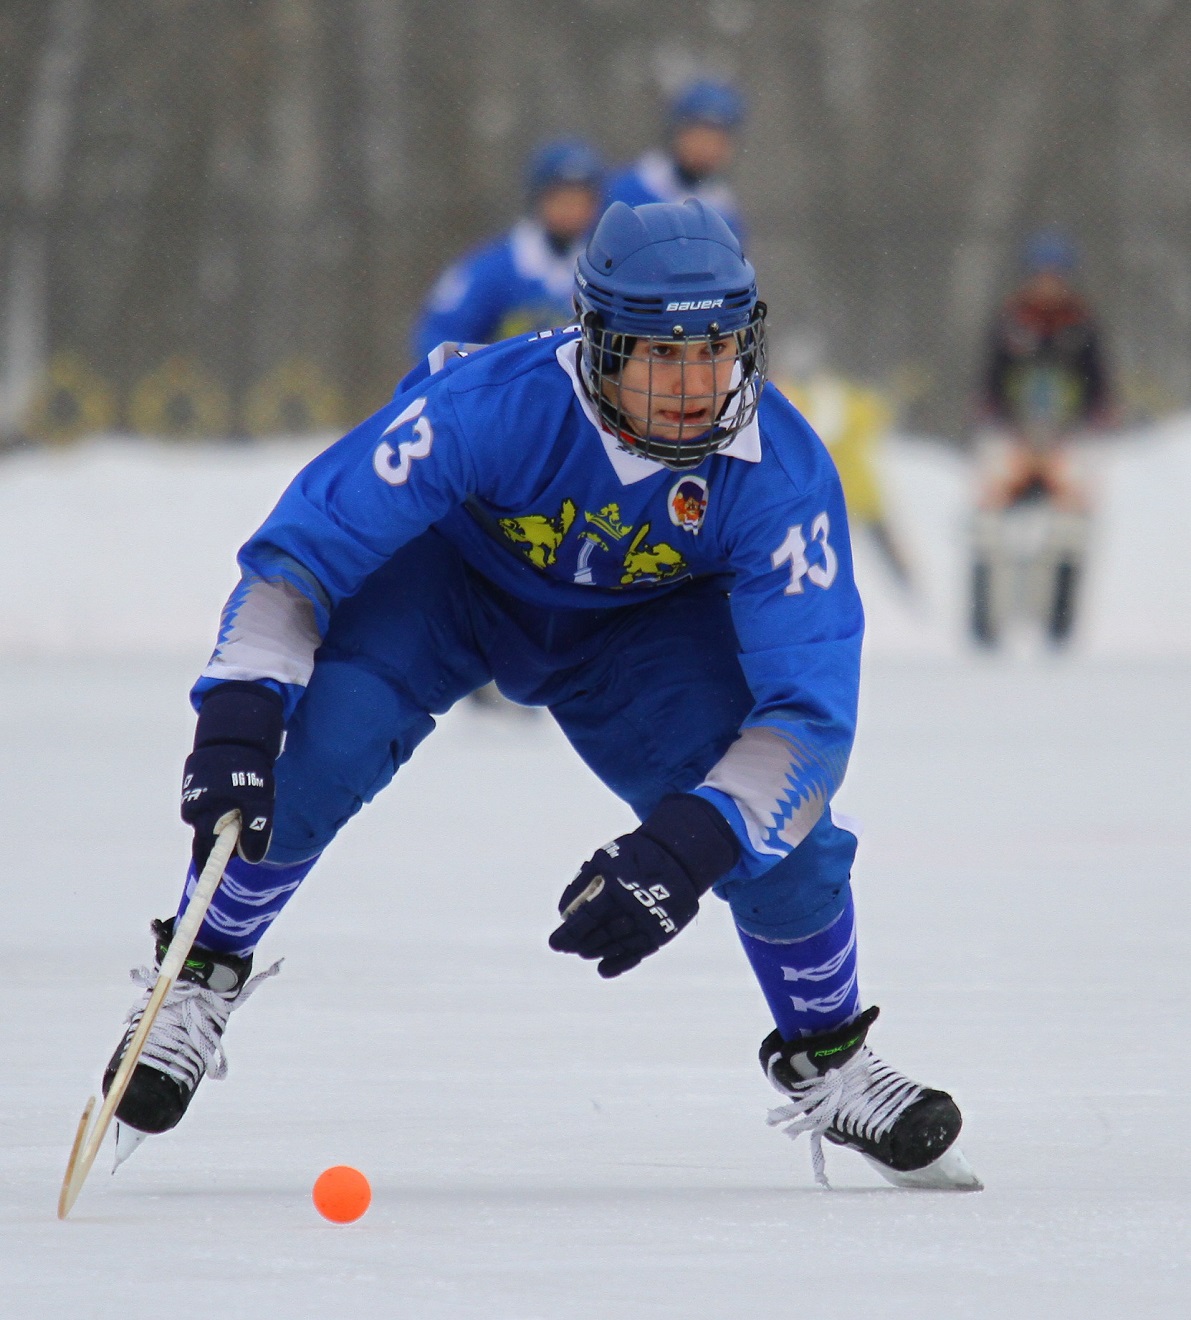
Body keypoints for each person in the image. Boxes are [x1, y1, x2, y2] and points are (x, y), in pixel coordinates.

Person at [101, 200, 980, 1192]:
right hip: (453, 585)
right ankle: (200, 969)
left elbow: (807, 721)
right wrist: (237, 713)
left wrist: (684, 847)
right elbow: (303, 549)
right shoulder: (493, 402)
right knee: (319, 748)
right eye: (660, 354)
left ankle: (831, 1054)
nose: (696, 387)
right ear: (598, 348)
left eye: (718, 351)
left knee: (788, 841)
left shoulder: (781, 474)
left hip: (638, 633)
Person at [970, 229, 1112, 646]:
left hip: (1065, 440)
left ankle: (1058, 619)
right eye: (1041, 274)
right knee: (989, 527)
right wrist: (995, 420)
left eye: (1056, 275)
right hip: (1013, 437)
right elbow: (989, 383)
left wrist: (1090, 421)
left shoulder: (1082, 326)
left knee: (1070, 527)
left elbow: (1099, 388)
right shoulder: (1010, 322)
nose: (1048, 283)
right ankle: (988, 619)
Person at [411, 138, 603, 362]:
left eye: (582, 200)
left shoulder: (604, 265)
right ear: (538, 199)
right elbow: (437, 338)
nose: (573, 210)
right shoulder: (493, 269)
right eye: (561, 199)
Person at [604, 79, 746, 240]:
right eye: (700, 135)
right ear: (677, 133)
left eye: (718, 140)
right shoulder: (631, 188)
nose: (707, 148)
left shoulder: (723, 209)